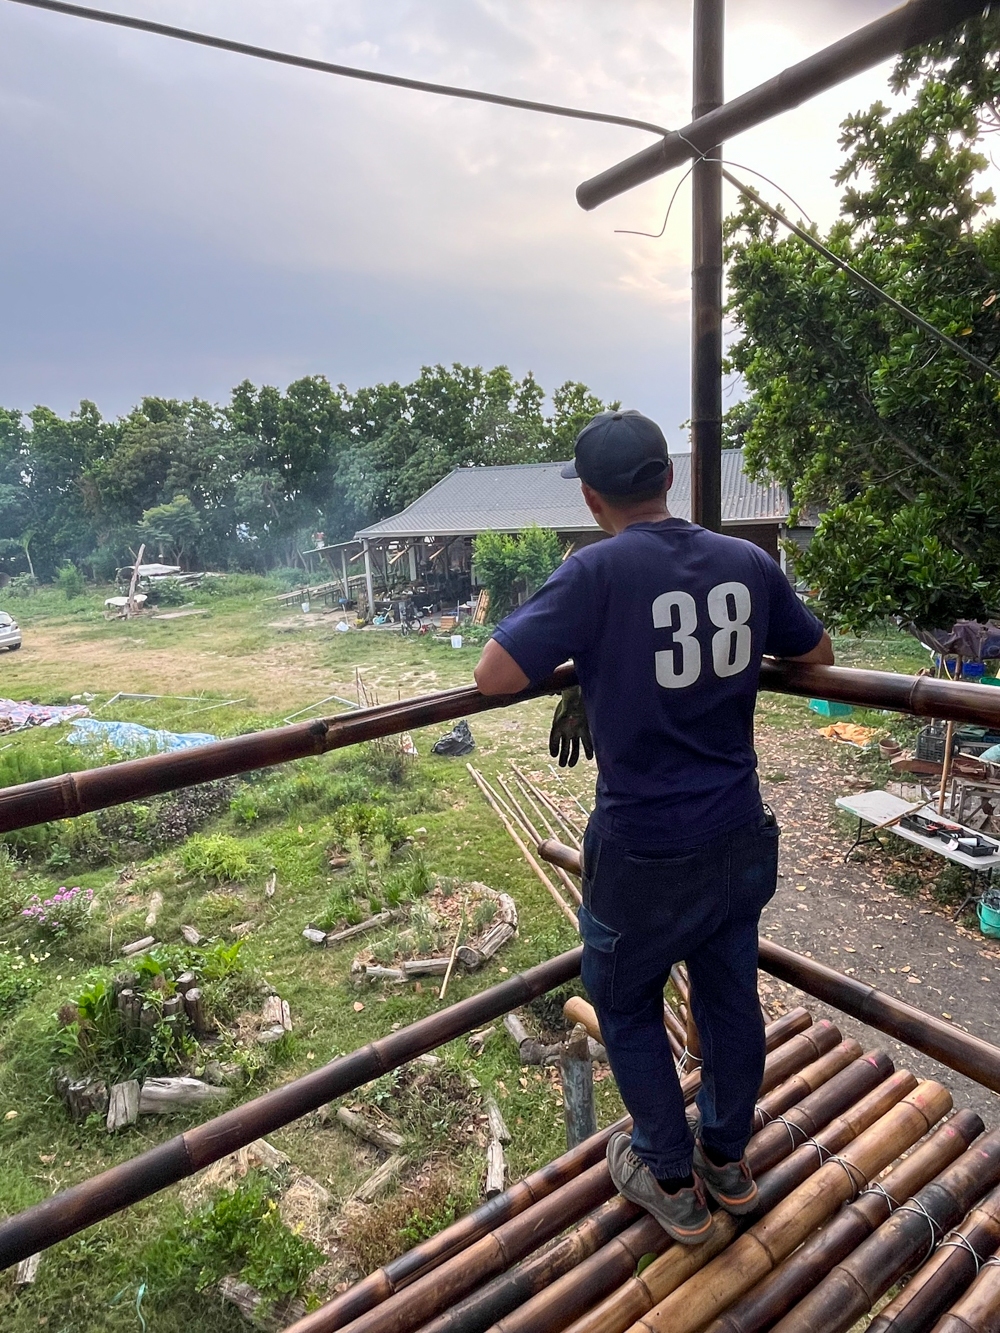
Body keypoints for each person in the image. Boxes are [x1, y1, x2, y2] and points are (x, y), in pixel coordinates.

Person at [474, 410, 833, 1244]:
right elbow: (815, 653)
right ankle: (728, 1160)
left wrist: (584, 668)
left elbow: (493, 674)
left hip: (644, 849)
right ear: (668, 479)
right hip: (740, 834)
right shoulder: (747, 560)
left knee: (623, 998)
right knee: (731, 996)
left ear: (594, 498)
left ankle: (667, 1171)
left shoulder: (593, 571)